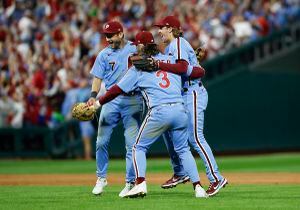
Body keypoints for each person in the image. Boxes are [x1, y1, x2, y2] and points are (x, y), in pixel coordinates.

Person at [92, 31, 208, 198]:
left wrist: (97, 104)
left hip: (159, 112)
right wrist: (193, 62)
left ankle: (140, 184)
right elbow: (199, 72)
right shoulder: (171, 61)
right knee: (183, 150)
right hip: (180, 111)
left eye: (137, 46)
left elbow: (116, 90)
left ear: (140, 47)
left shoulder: (139, 68)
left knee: (138, 147)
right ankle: (198, 188)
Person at [152, 16, 228, 196]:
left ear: (170, 29)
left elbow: (180, 68)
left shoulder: (178, 42)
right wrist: (193, 61)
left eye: (162, 28)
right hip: (184, 94)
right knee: (171, 132)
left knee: (195, 138)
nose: (159, 31)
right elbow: (184, 67)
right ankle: (180, 172)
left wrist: (158, 63)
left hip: (192, 92)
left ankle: (216, 178)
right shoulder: (174, 46)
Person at [87, 20, 143, 197]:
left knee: (131, 145)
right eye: (106, 36)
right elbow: (97, 78)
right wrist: (92, 96)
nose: (108, 39)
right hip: (110, 100)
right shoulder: (103, 54)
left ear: (121, 33)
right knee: (101, 141)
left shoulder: (135, 48)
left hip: (133, 100)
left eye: (111, 35)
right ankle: (101, 178)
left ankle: (129, 182)